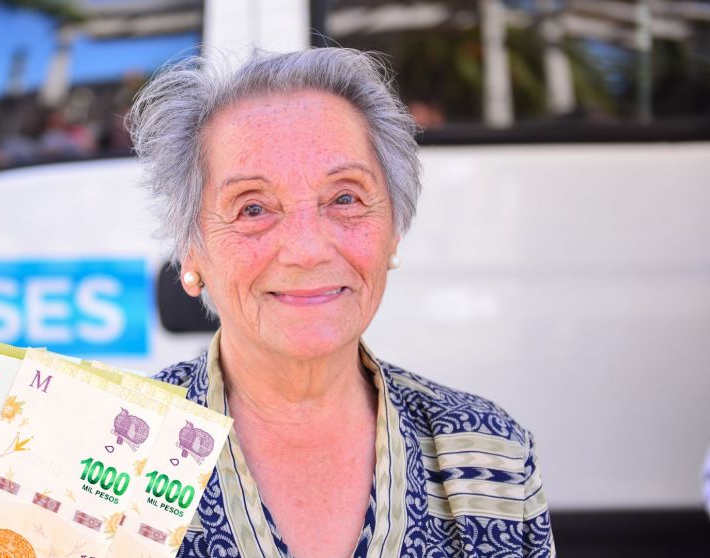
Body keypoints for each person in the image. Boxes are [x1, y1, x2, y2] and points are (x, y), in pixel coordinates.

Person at [128, 48, 555, 557]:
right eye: (254, 207)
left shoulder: (490, 455)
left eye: (345, 198)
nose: (308, 250)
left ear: (393, 231)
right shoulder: (106, 451)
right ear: (191, 250)